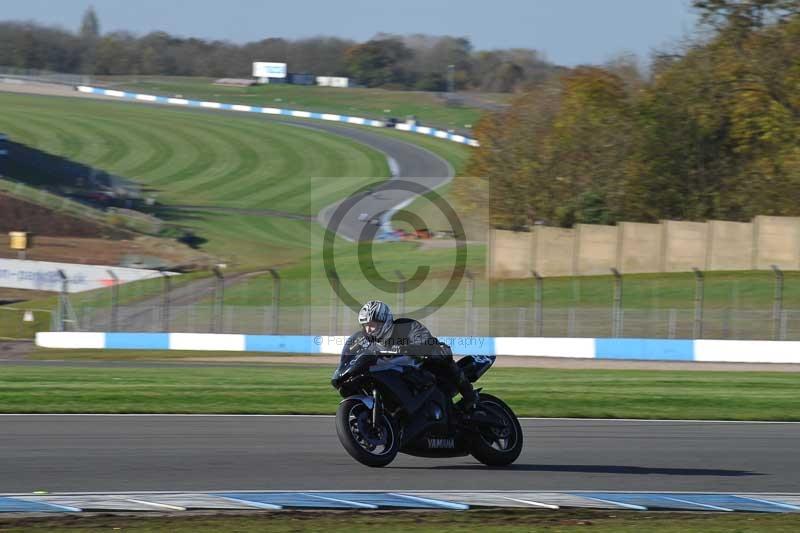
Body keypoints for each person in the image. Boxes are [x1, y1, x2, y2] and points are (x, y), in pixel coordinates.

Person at [342, 300, 479, 411]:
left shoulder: (407, 326)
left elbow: (426, 342)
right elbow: (354, 353)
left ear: (384, 321)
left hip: (421, 366)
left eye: (372, 325)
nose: (368, 329)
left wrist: (406, 348)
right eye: (365, 325)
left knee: (442, 354)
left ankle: (469, 396)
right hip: (393, 373)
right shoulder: (364, 340)